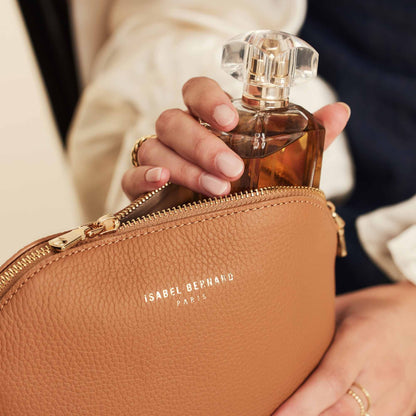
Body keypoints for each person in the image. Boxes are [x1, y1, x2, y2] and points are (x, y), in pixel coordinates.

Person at [67, 1, 416, 414]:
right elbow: (175, 22)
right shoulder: (277, 121)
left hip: (376, 295)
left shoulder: (303, 126)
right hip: (238, 299)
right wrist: (187, 162)